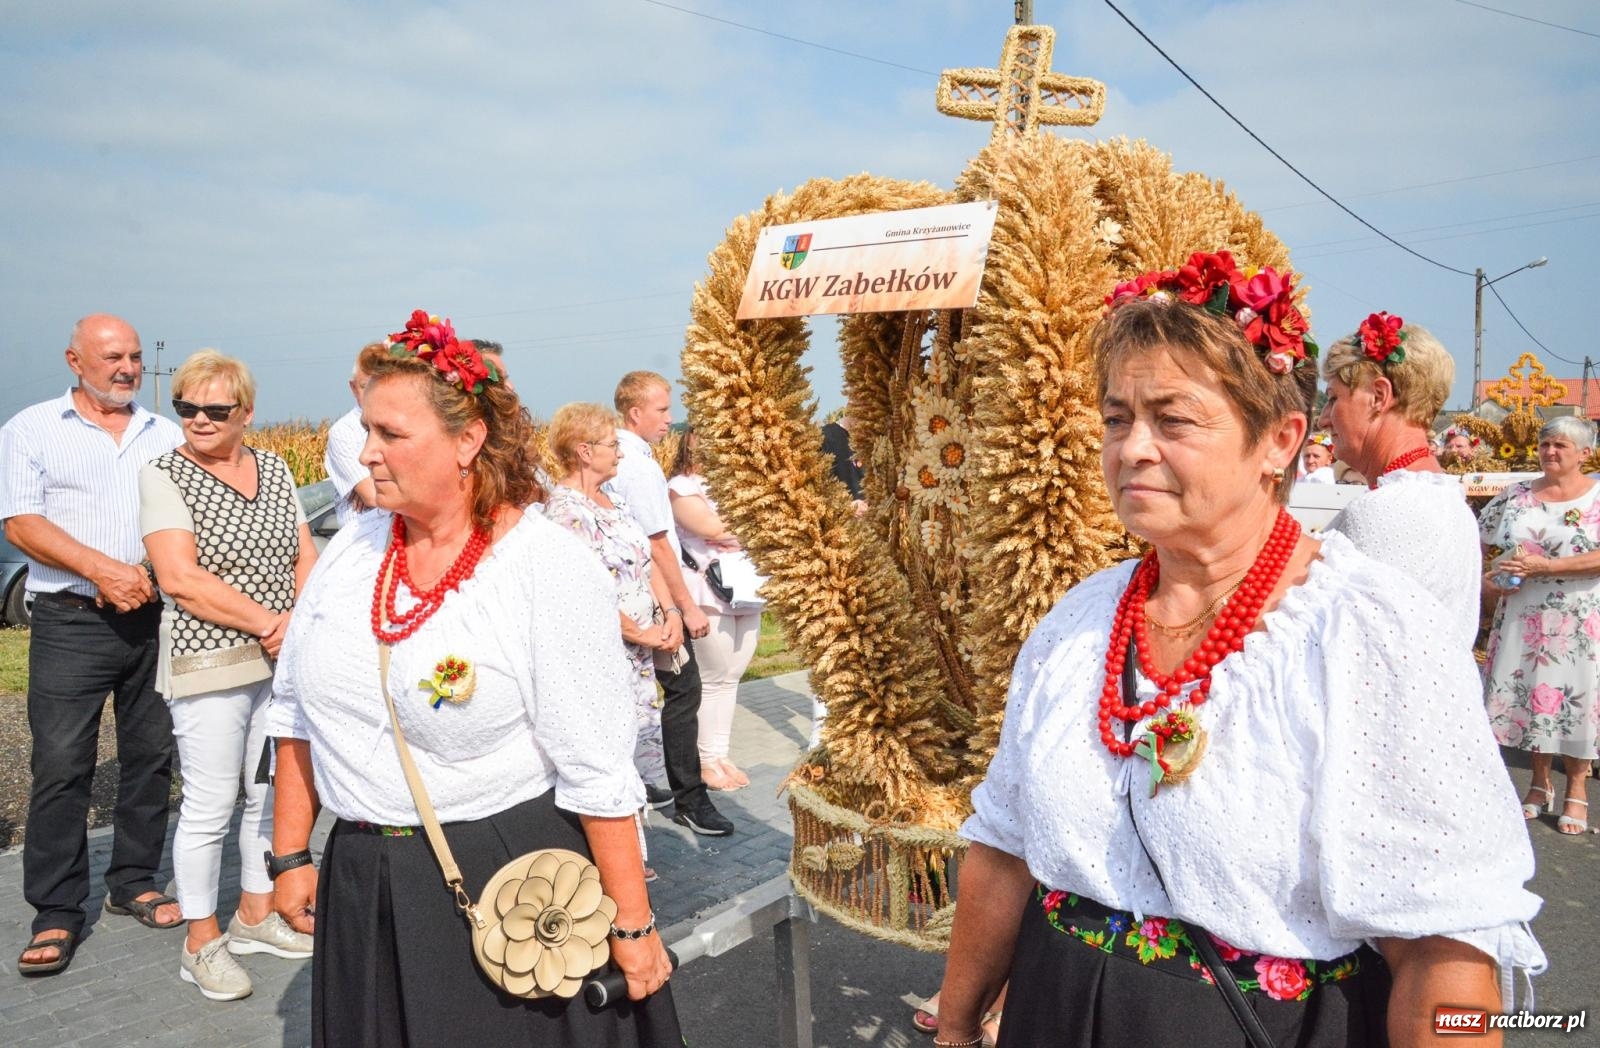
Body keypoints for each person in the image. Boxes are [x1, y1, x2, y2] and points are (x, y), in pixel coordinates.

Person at [935, 255, 1543, 1048]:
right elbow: (1006, 850)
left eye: (1174, 419)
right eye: (1117, 418)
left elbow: (1442, 950)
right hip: (1052, 1013)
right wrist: (954, 1027)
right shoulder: (1078, 622)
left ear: (1280, 440)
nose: (1133, 448)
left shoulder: (1369, 632)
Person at [266, 314, 680, 1047]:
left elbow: (595, 768)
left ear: (467, 440)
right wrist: (292, 852)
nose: (366, 453)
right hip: (362, 882)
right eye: (367, 430)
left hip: (507, 886)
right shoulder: (352, 551)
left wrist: (633, 922)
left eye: (391, 434)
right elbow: (296, 710)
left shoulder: (542, 567)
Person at [2, 314, 184, 977]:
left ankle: (134, 879)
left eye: (135, 356)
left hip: (154, 616)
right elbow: (22, 523)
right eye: (113, 356)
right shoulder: (31, 429)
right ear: (75, 360)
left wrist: (154, 578)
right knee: (60, 766)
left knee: (151, 756)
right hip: (72, 619)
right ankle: (55, 910)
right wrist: (101, 570)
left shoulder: (164, 433)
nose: (129, 368)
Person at [139, 350, 319, 1000]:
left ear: (245, 412)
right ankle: (200, 942)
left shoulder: (272, 467)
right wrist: (272, 623)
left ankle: (254, 914)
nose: (200, 420)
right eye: (187, 407)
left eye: (216, 410)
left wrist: (297, 619)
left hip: (278, 660)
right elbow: (181, 578)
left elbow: (303, 552)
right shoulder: (164, 474)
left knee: (266, 798)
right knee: (211, 806)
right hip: (210, 662)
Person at [609, 371, 735, 837]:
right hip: (651, 601)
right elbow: (658, 544)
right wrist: (684, 607)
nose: (670, 419)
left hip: (641, 597)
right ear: (634, 412)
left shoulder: (629, 459)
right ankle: (690, 798)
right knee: (684, 690)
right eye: (662, 410)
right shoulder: (637, 465)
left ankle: (649, 779)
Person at [543, 402, 678, 816]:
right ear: (584, 451)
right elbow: (584, 594)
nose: (619, 452)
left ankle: (636, 845)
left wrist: (669, 614)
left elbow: (644, 560)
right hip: (604, 654)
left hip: (638, 651)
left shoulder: (611, 500)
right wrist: (638, 633)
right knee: (609, 751)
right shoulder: (565, 513)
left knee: (637, 749)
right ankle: (621, 855)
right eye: (611, 444)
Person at [1316, 312, 1480, 651]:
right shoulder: (1437, 496)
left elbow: (1345, 644)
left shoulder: (1389, 510)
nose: (1322, 419)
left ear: (1379, 397)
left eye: (1333, 398)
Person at [1480, 415, 1600, 837]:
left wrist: (1547, 566)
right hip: (1524, 615)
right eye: (1546, 443)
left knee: (1579, 702)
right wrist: (1490, 579)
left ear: (1585, 453)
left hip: (1580, 619)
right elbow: (1481, 544)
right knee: (1534, 698)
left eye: (1561, 445)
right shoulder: (1515, 496)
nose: (1550, 451)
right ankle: (1538, 782)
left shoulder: (1598, 496)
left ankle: (1578, 788)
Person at [668, 427, 763, 791]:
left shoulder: (733, 484)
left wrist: (735, 530)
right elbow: (709, 526)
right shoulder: (681, 487)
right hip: (708, 589)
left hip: (744, 586)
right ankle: (705, 760)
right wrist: (742, 526)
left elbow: (759, 523)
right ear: (692, 439)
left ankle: (720, 754)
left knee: (733, 674)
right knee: (713, 675)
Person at [323, 353, 378, 529]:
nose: (372, 395)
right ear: (353, 388)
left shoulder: (404, 425)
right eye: (365, 387)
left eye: (378, 386)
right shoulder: (343, 431)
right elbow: (372, 495)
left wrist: (373, 484)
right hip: (360, 536)